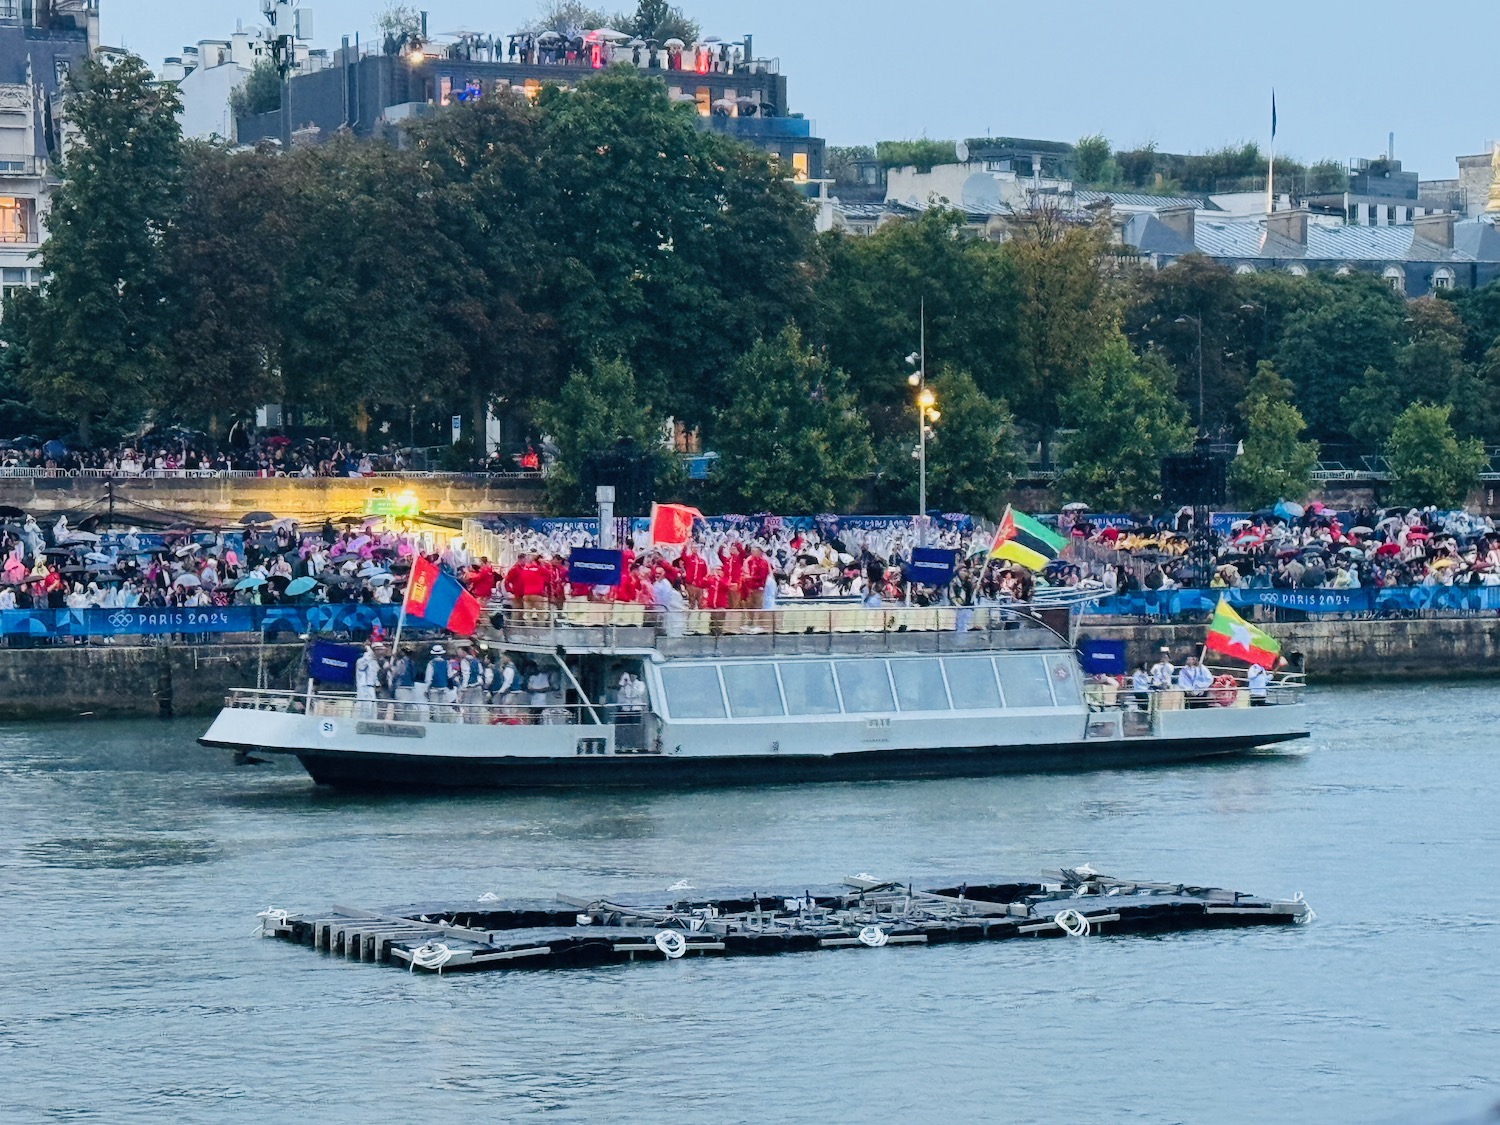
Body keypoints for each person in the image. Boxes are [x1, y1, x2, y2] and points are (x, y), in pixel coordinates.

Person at [422, 644, 453, 722]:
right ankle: (444, 722)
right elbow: (449, 675)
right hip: (444, 687)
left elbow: (428, 678)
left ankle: (437, 722)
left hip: (434, 688)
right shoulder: (447, 663)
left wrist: (426, 689)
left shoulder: (431, 663)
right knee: (444, 706)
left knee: (434, 707)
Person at [354, 644, 380, 718]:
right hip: (363, 686)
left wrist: (377, 683)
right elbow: (361, 667)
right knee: (363, 705)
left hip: (371, 686)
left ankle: (371, 720)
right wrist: (368, 655)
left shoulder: (374, 662)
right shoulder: (360, 661)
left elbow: (374, 674)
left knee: (371, 705)